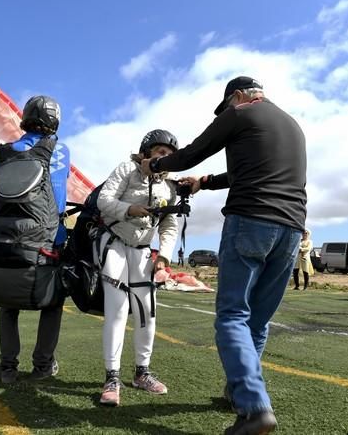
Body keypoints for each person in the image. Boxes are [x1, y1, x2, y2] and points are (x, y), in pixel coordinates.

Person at [141, 76, 306, 434]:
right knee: (257, 322)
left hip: (250, 220)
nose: (226, 112)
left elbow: (191, 153)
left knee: (232, 315)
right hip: (292, 229)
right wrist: (205, 183)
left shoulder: (240, 112)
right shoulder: (291, 124)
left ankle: (255, 410)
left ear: (238, 96)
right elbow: (244, 171)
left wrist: (152, 167)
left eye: (226, 106)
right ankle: (239, 393)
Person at [96, 129, 180, 407]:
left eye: (169, 155)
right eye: (160, 152)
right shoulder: (126, 169)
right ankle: (112, 376)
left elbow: (169, 224)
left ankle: (142, 373)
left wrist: (164, 257)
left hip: (143, 251)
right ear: (146, 152)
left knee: (147, 312)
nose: (164, 157)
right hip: (115, 243)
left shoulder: (169, 187)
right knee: (117, 311)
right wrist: (130, 209)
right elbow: (103, 200)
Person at [0, 95, 70, 384]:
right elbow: (59, 196)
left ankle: (8, 368)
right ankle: (43, 365)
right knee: (52, 302)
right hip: (48, 238)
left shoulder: (3, 152)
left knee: (8, 302)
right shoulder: (60, 150)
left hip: (7, 236)